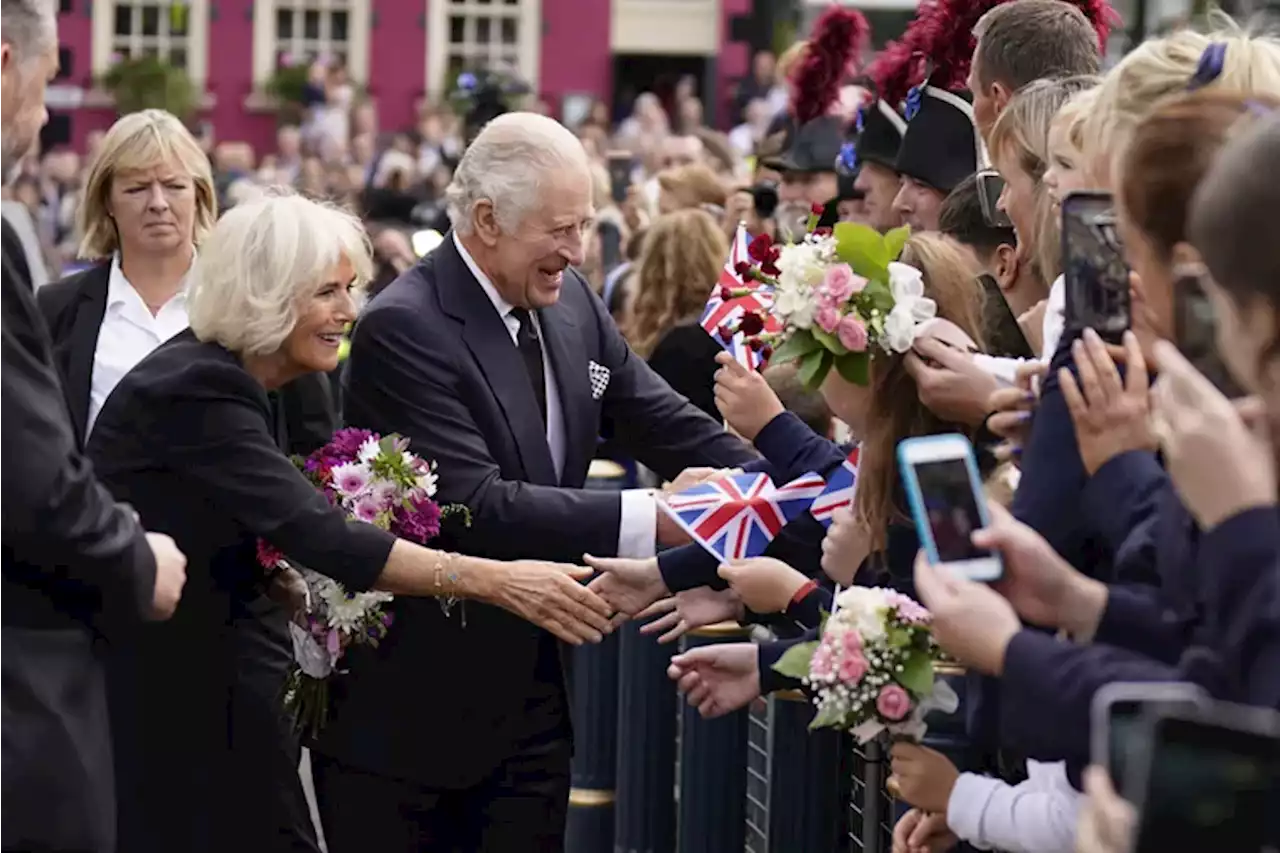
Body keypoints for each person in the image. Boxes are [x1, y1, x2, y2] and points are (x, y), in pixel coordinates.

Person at [85, 191, 612, 853]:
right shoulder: (199, 387)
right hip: (167, 699)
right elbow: (326, 535)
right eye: (327, 292)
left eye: (349, 288)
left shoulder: (248, 378)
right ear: (267, 295)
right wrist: (501, 581)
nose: (348, 311)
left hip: (204, 684)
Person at [328, 112, 755, 852]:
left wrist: (771, 485)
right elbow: (479, 504)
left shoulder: (574, 305)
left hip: (536, 717)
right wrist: (657, 516)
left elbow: (665, 419)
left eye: (585, 225)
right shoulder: (406, 326)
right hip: (412, 735)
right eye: (560, 229)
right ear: (487, 220)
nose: (578, 250)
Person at [0, 3, 188, 851]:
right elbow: (32, 465)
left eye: (175, 184)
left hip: (202, 612)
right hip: (84, 596)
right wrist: (129, 554)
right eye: (41, 92)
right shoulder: (55, 302)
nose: (41, 119)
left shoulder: (239, 312)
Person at [37, 109, 339, 456]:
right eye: (137, 188)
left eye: (174, 186)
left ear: (199, 194)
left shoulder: (255, 303)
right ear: (107, 200)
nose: (158, 203)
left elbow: (313, 448)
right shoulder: (57, 309)